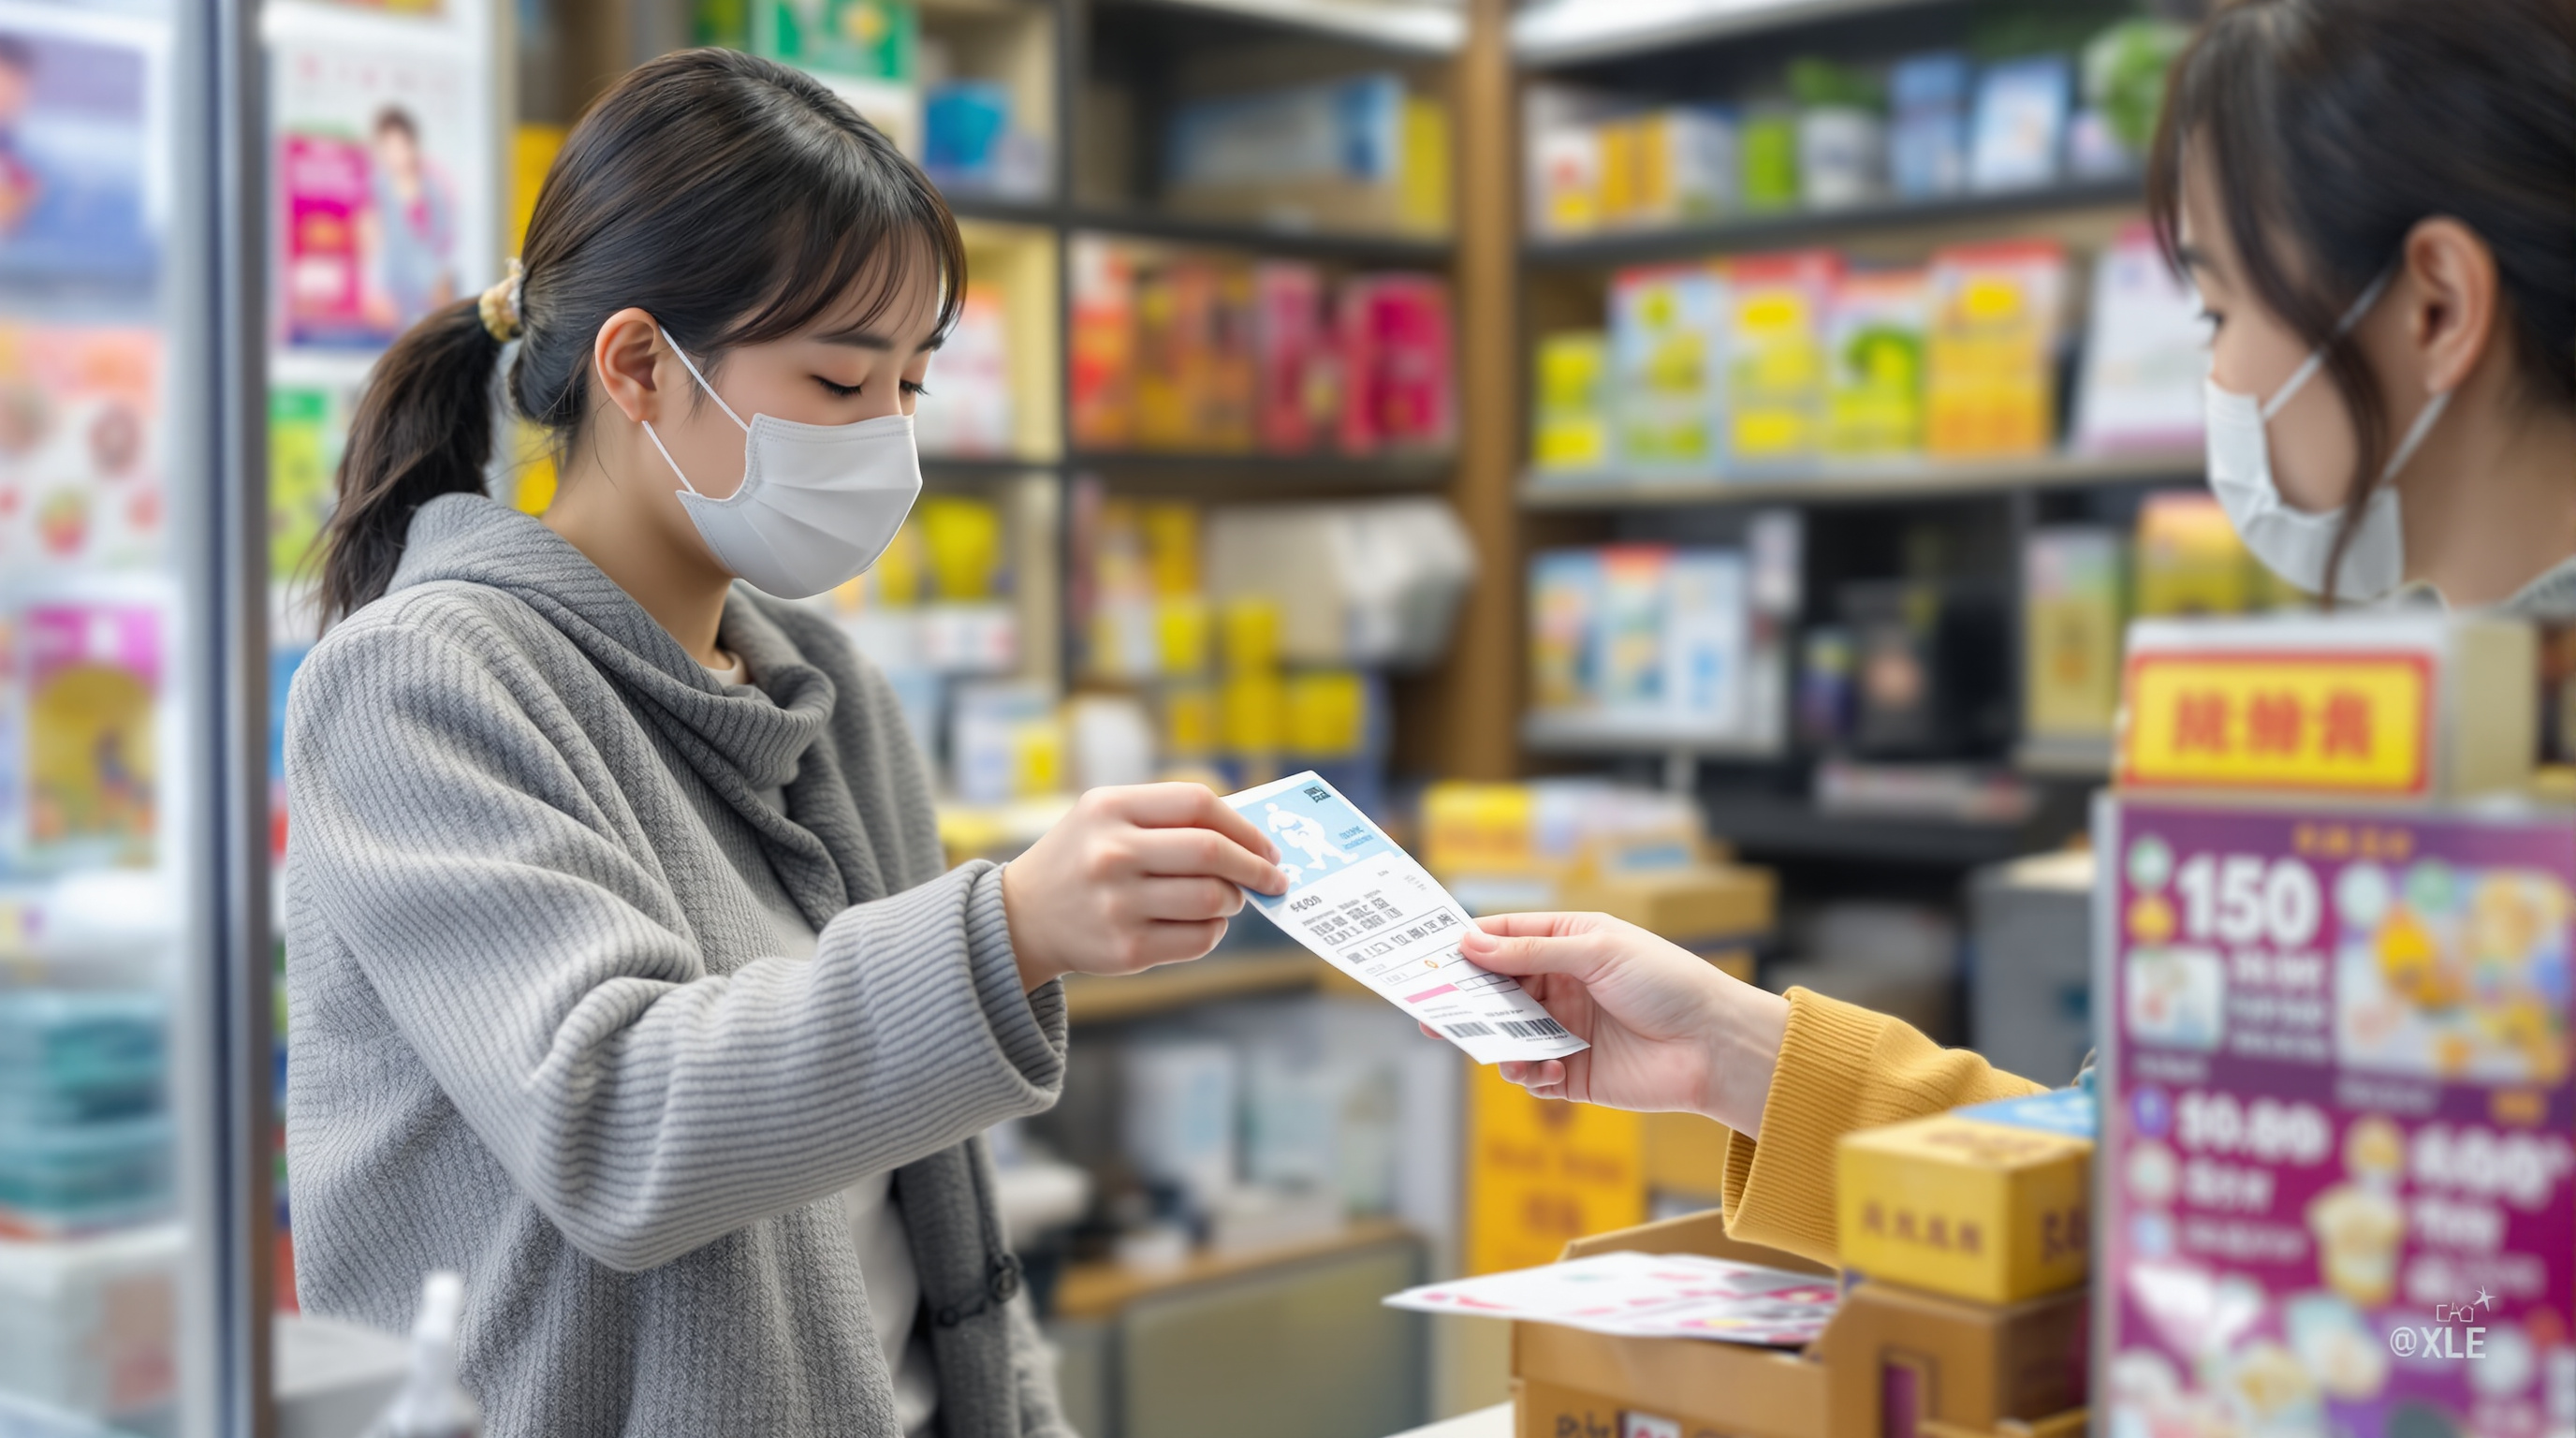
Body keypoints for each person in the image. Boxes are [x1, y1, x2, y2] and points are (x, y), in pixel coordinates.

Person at [1469, 0, 2574, 1271]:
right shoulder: (2414, 719)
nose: (2216, 384)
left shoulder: (2463, 770)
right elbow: (2186, 1194)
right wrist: (1740, 1053)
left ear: (2434, 305)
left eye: (2218, 315)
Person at [284, 49, 1285, 1438]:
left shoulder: (822, 685)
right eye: (838, 379)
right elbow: (619, 1126)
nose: (889, 442)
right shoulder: (418, 684)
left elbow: (941, 1231)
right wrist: (1006, 931)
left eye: (911, 388)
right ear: (639, 366)